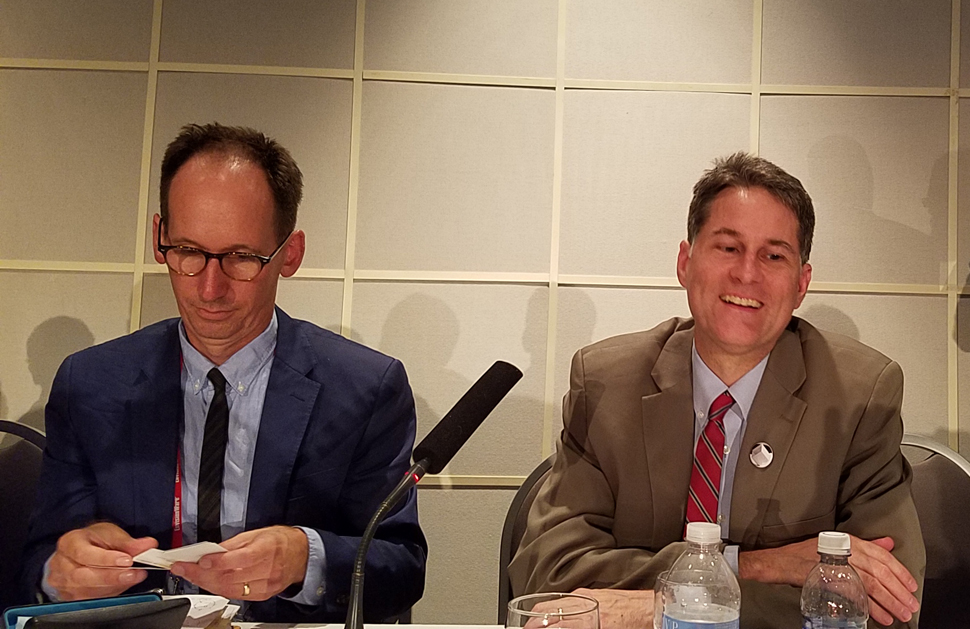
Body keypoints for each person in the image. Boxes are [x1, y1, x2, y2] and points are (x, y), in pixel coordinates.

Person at [21, 123, 427, 623]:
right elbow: (39, 564)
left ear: (290, 254)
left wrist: (307, 558)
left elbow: (402, 568)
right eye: (188, 252)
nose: (209, 289)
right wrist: (63, 574)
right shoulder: (90, 384)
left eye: (240, 258)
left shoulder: (364, 388)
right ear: (158, 238)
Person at [509, 152, 924, 629]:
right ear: (686, 262)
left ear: (801, 283)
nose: (747, 274)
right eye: (727, 248)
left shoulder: (858, 397)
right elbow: (549, 577)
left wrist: (654, 607)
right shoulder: (606, 382)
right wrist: (750, 567)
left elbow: (889, 610)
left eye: (773, 255)